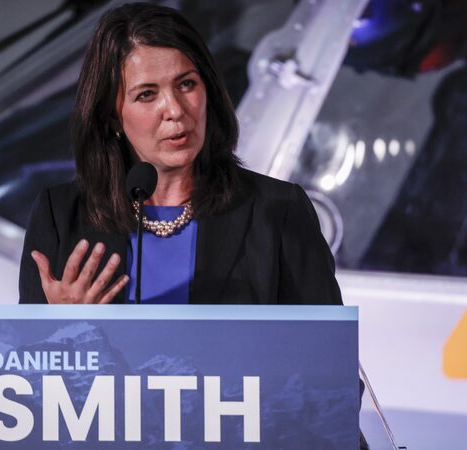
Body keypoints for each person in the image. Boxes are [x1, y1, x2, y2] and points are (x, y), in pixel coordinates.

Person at [18, 2, 342, 307]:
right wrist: (60, 328)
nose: (174, 110)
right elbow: (20, 348)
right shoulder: (60, 215)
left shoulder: (279, 210)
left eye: (186, 84)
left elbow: (327, 345)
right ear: (112, 117)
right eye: (147, 94)